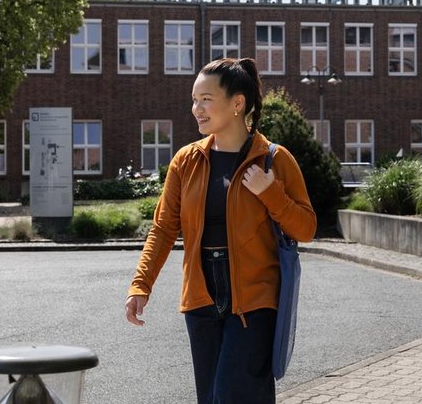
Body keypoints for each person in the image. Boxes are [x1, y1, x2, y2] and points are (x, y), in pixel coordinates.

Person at [125, 57, 317, 404]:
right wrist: (141, 285)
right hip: (201, 296)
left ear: (237, 103)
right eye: (194, 100)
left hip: (255, 300)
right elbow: (163, 229)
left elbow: (306, 228)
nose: (196, 108)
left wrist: (270, 192)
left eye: (206, 100)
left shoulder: (274, 160)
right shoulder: (186, 161)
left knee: (233, 394)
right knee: (212, 397)